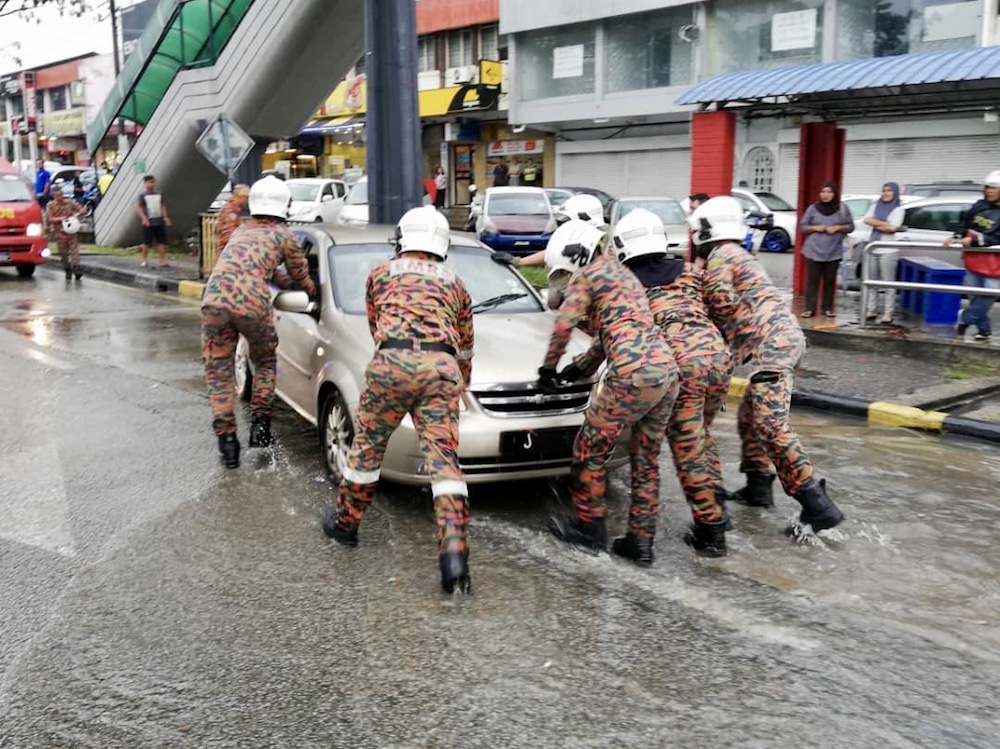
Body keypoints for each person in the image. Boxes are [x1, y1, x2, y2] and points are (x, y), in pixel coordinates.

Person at [321, 206, 475, 595]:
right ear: (441, 243)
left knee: (367, 450)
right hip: (441, 369)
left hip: (391, 364)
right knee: (445, 464)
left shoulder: (380, 273)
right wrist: (459, 385)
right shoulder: (455, 283)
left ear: (402, 239)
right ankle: (454, 557)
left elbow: (377, 328)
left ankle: (345, 525)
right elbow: (466, 346)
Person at [691, 196, 844, 537]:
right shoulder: (737, 253)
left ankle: (817, 504)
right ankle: (758, 487)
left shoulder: (719, 256)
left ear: (704, 232)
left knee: (770, 425)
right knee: (749, 415)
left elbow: (718, 303)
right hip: (781, 339)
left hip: (773, 344)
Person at [540, 219, 679, 566]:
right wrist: (579, 369)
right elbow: (613, 334)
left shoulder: (588, 275)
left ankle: (590, 530)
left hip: (631, 376)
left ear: (575, 254)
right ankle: (640, 541)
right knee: (645, 460)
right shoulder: (624, 276)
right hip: (666, 372)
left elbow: (564, 324)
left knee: (588, 450)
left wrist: (548, 369)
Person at [613, 208, 733, 556]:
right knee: (700, 438)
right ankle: (718, 510)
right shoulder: (692, 272)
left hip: (678, 368)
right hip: (716, 360)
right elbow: (724, 307)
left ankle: (710, 533)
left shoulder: (626, 285)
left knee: (680, 452)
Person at [200, 176, 317, 469]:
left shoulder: (241, 230)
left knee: (218, 371)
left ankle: (227, 443)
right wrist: (313, 292)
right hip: (252, 304)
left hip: (213, 300)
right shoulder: (284, 234)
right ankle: (260, 428)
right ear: (283, 206)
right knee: (265, 362)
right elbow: (302, 278)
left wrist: (282, 279)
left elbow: (258, 267)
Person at [946, 170, 1000, 342]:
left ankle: (964, 320)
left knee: (986, 298)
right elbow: (965, 223)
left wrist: (976, 241)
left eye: (994, 188)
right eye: (987, 187)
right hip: (973, 261)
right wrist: (957, 236)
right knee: (974, 297)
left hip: (995, 266)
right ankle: (984, 331)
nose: (989, 191)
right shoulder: (979, 205)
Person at [799, 182, 853, 318]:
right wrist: (815, 228)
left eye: (829, 192)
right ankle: (809, 309)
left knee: (829, 281)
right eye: (823, 192)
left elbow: (851, 226)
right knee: (812, 281)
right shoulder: (813, 208)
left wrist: (838, 228)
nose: (825, 195)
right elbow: (803, 226)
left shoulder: (842, 208)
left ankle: (827, 308)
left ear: (834, 194)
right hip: (813, 250)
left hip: (833, 251)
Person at [861, 182, 904, 324]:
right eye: (884, 190)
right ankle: (871, 310)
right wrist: (884, 224)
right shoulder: (875, 205)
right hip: (873, 247)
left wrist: (876, 222)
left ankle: (888, 312)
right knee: (872, 281)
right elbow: (866, 219)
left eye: (889, 191)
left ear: (895, 193)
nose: (886, 193)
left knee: (888, 282)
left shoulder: (898, 209)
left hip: (889, 249)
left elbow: (893, 228)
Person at [44, 183, 87, 281]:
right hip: (59, 233)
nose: (60, 197)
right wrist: (60, 219)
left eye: (61, 195)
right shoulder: (51, 206)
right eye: (57, 196)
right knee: (63, 254)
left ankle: (77, 269)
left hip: (71, 231)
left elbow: (81, 209)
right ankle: (67, 269)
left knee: (74, 251)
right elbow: (50, 218)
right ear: (54, 196)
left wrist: (80, 212)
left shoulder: (70, 202)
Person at [134, 174, 172, 268]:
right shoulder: (142, 195)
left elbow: (162, 206)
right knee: (146, 242)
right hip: (148, 221)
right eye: (149, 182)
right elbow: (138, 207)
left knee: (161, 242)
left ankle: (162, 261)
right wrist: (144, 218)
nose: (152, 184)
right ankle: (144, 260)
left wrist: (165, 217)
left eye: (153, 182)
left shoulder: (159, 194)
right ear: (145, 183)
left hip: (159, 220)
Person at [214, 183, 250, 251]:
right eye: (246, 197)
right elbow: (229, 234)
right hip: (228, 251)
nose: (247, 201)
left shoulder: (233, 209)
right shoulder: (230, 211)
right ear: (240, 197)